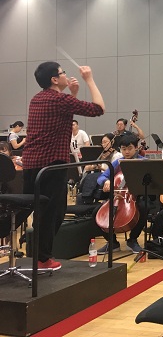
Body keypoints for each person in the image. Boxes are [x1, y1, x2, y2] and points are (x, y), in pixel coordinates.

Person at [22, 62, 104, 271]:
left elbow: (61, 116)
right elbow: (99, 108)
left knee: (40, 212)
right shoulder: (60, 100)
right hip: (51, 165)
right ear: (54, 79)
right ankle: (43, 259)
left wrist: (72, 93)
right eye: (62, 72)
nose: (66, 75)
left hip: (31, 164)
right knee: (53, 213)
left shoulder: (37, 99)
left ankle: (39, 256)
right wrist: (89, 79)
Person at [96, 134, 148, 254]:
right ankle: (112, 243)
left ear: (136, 148)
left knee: (144, 208)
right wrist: (106, 181)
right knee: (96, 213)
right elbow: (101, 177)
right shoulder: (118, 163)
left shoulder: (143, 162)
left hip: (137, 196)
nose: (127, 152)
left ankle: (132, 240)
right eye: (123, 149)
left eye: (130, 148)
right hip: (118, 196)